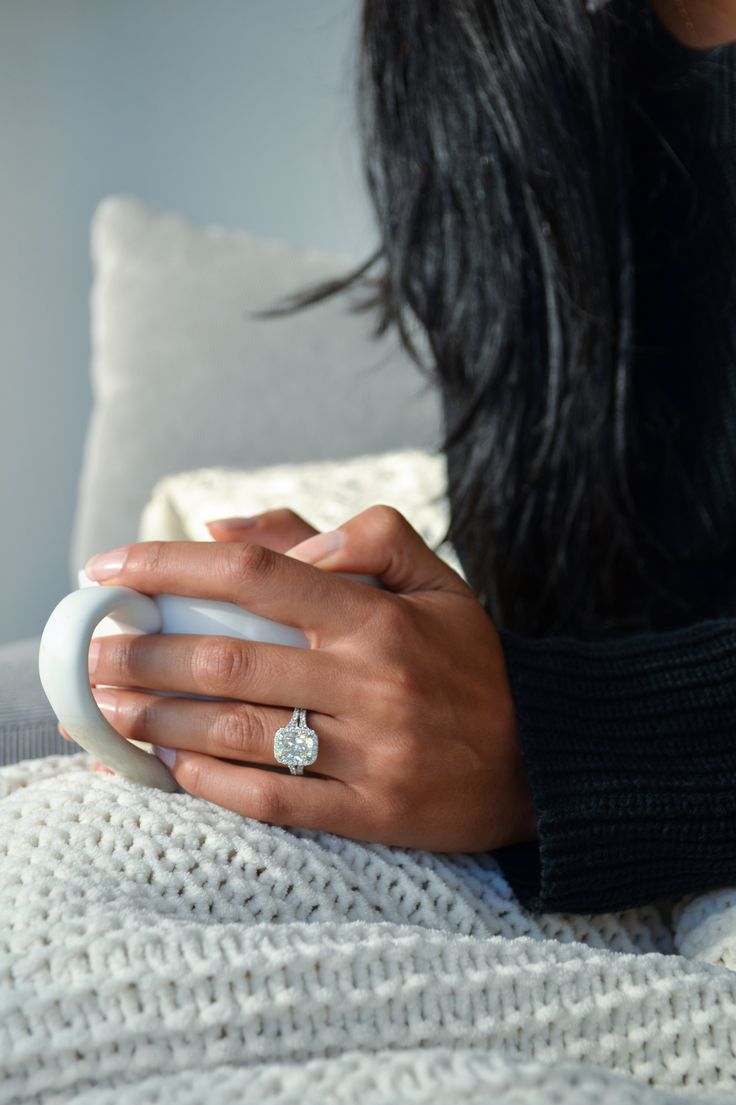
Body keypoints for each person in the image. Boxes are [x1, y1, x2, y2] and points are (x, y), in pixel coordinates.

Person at [19, 0, 736, 915]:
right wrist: (406, 661)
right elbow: (557, 578)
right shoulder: (465, 37)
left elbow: (546, 711)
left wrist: (553, 742)